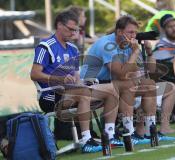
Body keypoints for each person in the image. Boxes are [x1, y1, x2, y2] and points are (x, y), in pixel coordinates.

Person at [30, 10, 122, 153]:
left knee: (113, 89)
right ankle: (86, 140)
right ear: (59, 25)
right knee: (83, 93)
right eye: (70, 29)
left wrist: (87, 83)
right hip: (50, 96)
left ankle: (109, 135)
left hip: (73, 92)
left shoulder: (73, 49)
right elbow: (34, 74)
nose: (74, 33)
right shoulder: (45, 46)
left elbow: (77, 79)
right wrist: (59, 79)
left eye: (76, 30)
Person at [81, 15, 175, 143]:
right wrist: (135, 53)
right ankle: (129, 132)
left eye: (135, 32)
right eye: (130, 32)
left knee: (149, 84)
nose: (134, 36)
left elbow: (137, 72)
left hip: (112, 83)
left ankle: (150, 131)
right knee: (127, 83)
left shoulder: (127, 44)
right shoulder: (107, 44)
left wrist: (147, 53)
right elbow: (121, 74)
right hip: (92, 84)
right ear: (119, 32)